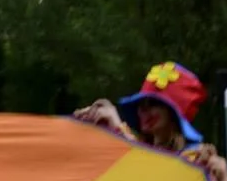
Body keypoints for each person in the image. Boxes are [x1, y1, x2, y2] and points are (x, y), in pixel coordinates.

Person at [77, 62, 208, 158]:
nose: (144, 110)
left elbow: (157, 174)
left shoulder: (195, 158)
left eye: (153, 103)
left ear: (173, 115)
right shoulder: (141, 149)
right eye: (141, 104)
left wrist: (118, 128)